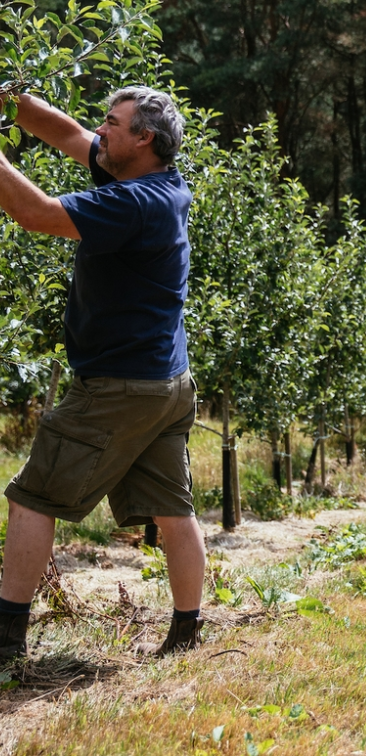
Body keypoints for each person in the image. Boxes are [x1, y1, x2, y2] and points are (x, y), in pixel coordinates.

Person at [0, 86, 206, 661]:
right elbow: (65, 133)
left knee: (33, 498)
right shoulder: (152, 181)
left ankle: (6, 640)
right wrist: (12, 100)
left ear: (144, 138)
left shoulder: (135, 203)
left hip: (118, 387)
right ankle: (187, 634)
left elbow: (35, 214)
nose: (100, 132)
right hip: (167, 383)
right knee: (173, 506)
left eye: (111, 124)